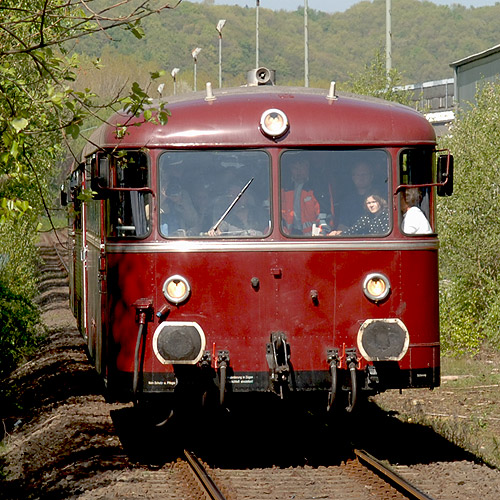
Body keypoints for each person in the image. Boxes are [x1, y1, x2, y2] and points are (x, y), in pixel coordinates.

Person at [281, 158, 323, 235]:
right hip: (290, 234)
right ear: (290, 169)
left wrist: (322, 233)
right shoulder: (285, 187)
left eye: (301, 167)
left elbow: (323, 212)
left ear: (307, 167)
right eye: (295, 168)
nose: (298, 172)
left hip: (312, 237)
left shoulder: (316, 186)